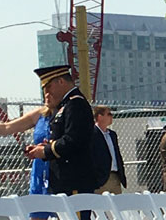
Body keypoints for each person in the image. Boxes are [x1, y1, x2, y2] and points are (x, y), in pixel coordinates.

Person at [28, 64, 110, 196]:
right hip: (66, 181)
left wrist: (45, 151)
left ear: (60, 81)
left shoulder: (75, 104)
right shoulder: (66, 105)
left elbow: (74, 140)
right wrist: (46, 146)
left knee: (77, 217)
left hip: (75, 181)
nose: (47, 93)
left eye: (49, 87)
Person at [95, 106, 128, 194]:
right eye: (109, 114)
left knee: (117, 206)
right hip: (101, 179)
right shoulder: (92, 134)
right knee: (101, 206)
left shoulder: (112, 134)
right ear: (99, 116)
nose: (111, 117)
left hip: (115, 177)